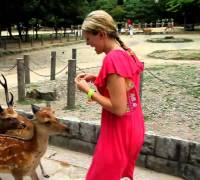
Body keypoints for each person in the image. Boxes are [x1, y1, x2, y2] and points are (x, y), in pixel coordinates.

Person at [74, 10, 145, 180]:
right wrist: (98, 78)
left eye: (88, 38)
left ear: (101, 34)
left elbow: (119, 108)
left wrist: (88, 91)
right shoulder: (125, 52)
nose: (88, 43)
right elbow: (125, 85)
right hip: (134, 125)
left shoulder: (112, 59)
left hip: (119, 130)